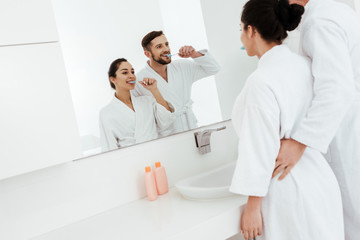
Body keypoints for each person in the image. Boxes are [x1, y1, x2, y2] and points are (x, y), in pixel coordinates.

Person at [229, 0, 344, 239]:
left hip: (287, 187)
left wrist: (252, 207)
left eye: (241, 29)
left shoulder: (260, 82)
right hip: (321, 182)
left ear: (251, 30)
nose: (241, 37)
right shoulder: (304, 64)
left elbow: (259, 148)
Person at [272, 0, 360, 238]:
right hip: (348, 129)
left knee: (352, 218)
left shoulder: (318, 23)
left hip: (346, 135)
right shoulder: (335, 10)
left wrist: (300, 142)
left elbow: (336, 89)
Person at [132, 30, 221, 136]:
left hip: (191, 128)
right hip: (166, 136)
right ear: (148, 54)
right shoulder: (139, 80)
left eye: (166, 44)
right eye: (159, 47)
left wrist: (194, 54)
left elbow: (214, 69)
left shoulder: (182, 66)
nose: (166, 49)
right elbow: (136, 115)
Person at [99, 58, 175, 151]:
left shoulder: (146, 101)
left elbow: (167, 121)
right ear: (113, 79)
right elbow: (109, 148)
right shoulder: (106, 113)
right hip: (130, 160)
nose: (131, 76)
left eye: (132, 72)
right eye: (125, 73)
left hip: (156, 155)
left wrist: (154, 90)